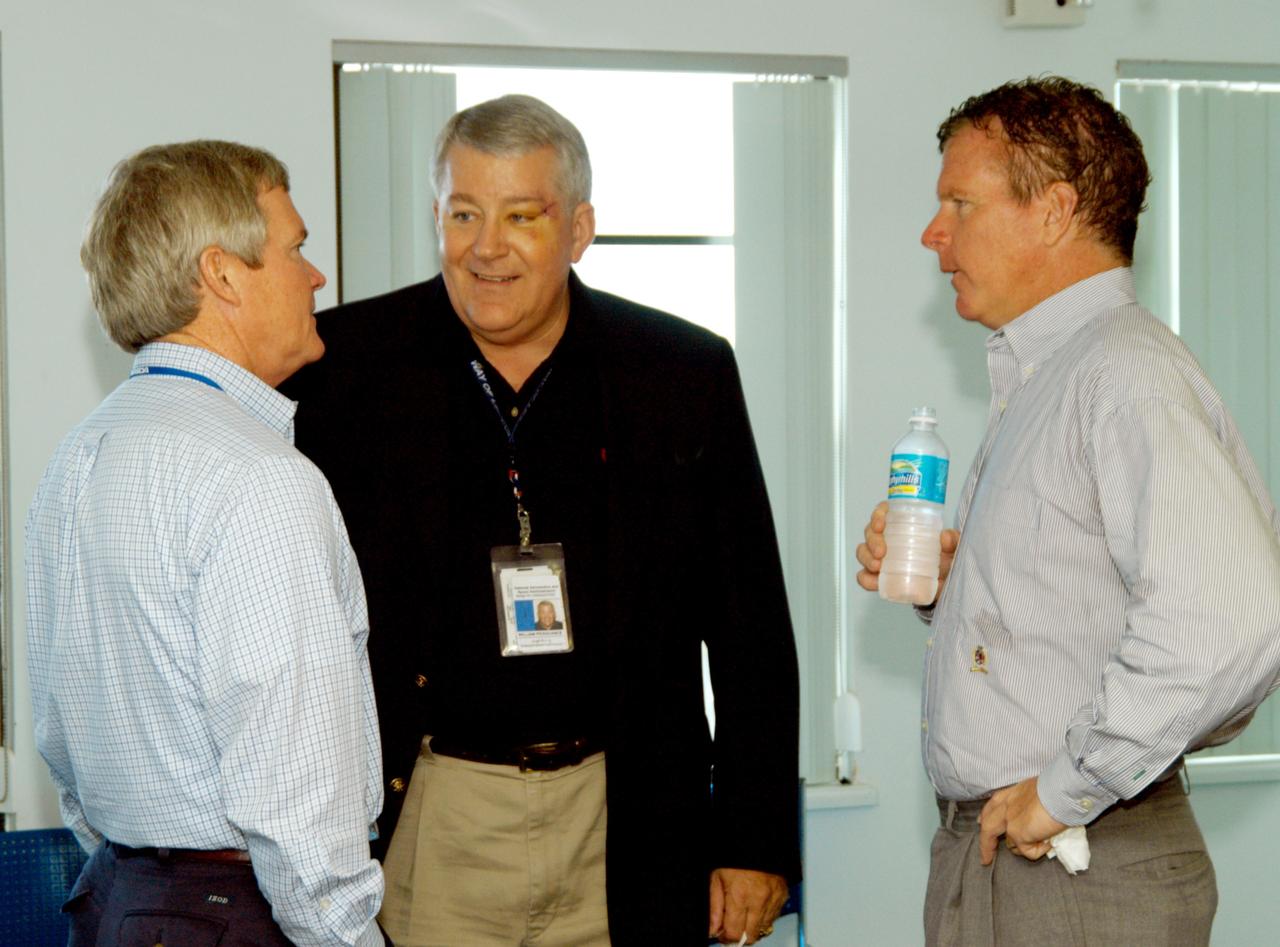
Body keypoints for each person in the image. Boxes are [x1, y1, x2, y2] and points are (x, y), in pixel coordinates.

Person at [284, 94, 800, 946]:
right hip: (430, 812)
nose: (487, 247)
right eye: (463, 213)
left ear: (580, 227)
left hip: (627, 810)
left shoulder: (680, 374)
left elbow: (750, 629)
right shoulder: (343, 372)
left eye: (522, 215)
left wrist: (753, 839)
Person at [856, 76, 1280, 946]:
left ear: (1053, 211)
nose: (933, 234)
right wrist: (950, 584)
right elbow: (1076, 610)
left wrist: (1065, 786)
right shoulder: (1054, 374)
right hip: (1019, 853)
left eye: (959, 204)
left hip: (1082, 861)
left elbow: (1235, 622)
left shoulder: (1122, 375)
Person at [26, 141, 385, 946]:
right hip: (238, 913)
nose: (315, 276)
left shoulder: (77, 456)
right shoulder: (261, 477)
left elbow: (63, 742)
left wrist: (147, 879)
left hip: (121, 899)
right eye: (295, 249)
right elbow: (295, 804)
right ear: (223, 274)